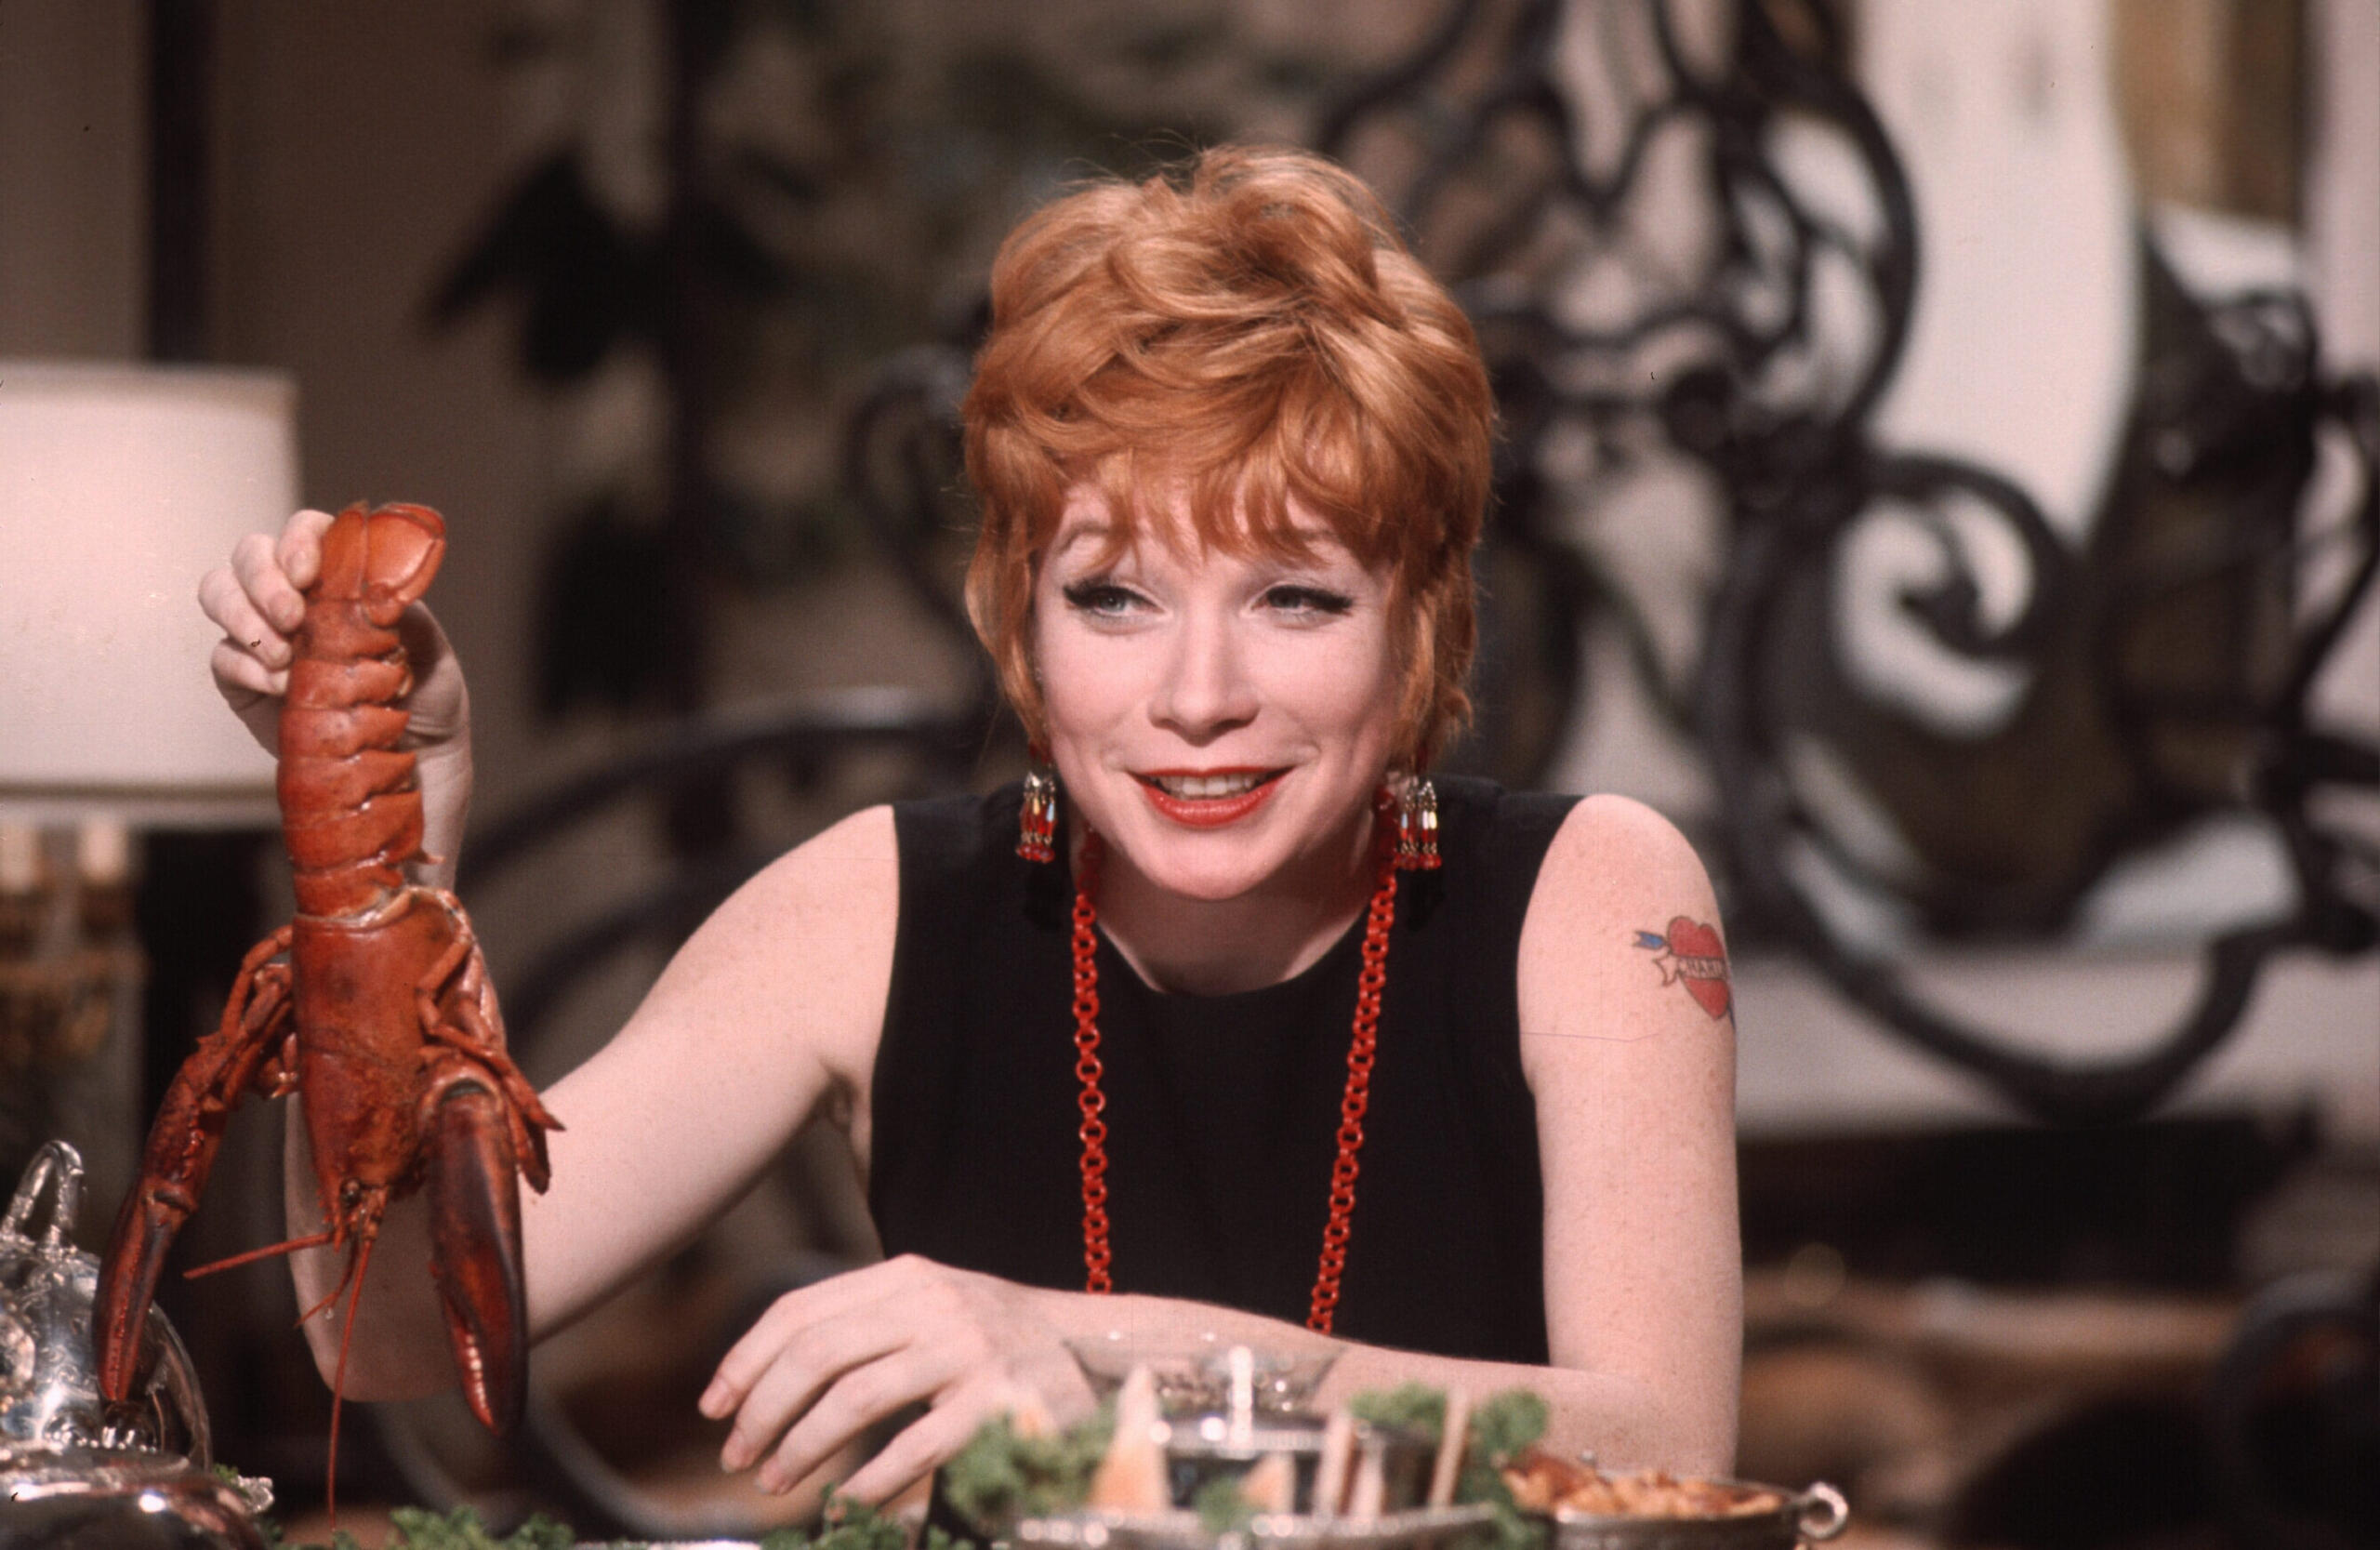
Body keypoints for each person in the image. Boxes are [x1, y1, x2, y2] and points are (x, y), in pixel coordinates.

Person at [197, 145, 1741, 1506]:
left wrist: (1098, 1357)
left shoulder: (1595, 898)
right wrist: (389, 875)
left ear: (1420, 628)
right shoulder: (868, 912)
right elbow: (385, 1334)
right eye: (1114, 597)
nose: (1199, 698)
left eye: (1295, 596)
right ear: (1019, 625)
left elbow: (1670, 1446)